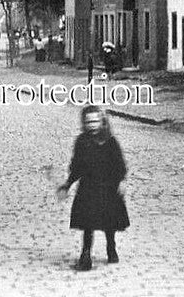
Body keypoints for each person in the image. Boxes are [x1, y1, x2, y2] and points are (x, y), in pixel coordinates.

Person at [57, 105, 129, 271]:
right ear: (84, 123)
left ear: (102, 121)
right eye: (88, 122)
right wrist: (68, 184)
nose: (92, 125)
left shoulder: (110, 141)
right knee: (87, 222)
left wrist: (122, 181)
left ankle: (111, 247)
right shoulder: (81, 141)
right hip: (88, 187)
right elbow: (76, 166)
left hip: (108, 186)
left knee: (108, 222)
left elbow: (119, 164)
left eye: (95, 121)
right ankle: (85, 254)